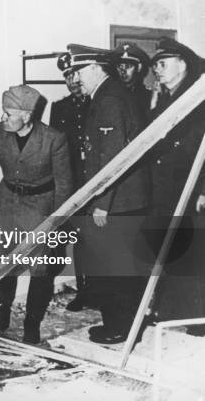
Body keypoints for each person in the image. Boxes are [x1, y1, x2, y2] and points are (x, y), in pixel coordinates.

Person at [0, 85, 72, 344]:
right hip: (8, 203)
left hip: (41, 206)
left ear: (27, 115)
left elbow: (65, 185)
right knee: (4, 263)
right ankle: (0, 318)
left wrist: (56, 222)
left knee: (41, 269)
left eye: (8, 113)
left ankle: (32, 325)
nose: (3, 118)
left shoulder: (54, 139)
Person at [68, 44, 149, 344]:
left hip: (117, 202)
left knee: (116, 268)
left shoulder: (110, 99)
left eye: (79, 72)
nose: (76, 79)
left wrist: (102, 205)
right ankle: (123, 325)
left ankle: (121, 329)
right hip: (122, 200)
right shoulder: (109, 95)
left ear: (94, 68)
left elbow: (112, 160)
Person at [147, 37, 205, 335]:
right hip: (166, 189)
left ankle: (197, 318)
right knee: (168, 249)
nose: (156, 70)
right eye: (155, 65)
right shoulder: (167, 99)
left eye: (162, 63)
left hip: (193, 190)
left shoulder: (198, 98)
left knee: (194, 255)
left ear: (182, 64)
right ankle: (169, 309)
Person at [50, 52, 91, 312]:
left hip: (94, 182)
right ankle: (85, 291)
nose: (72, 80)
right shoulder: (59, 108)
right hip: (69, 184)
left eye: (76, 74)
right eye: (67, 76)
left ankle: (98, 291)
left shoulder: (98, 103)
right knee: (72, 239)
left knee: (94, 240)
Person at [111, 43, 152, 113]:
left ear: (139, 68)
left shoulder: (148, 97)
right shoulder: (111, 94)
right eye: (120, 66)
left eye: (128, 66)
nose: (123, 71)